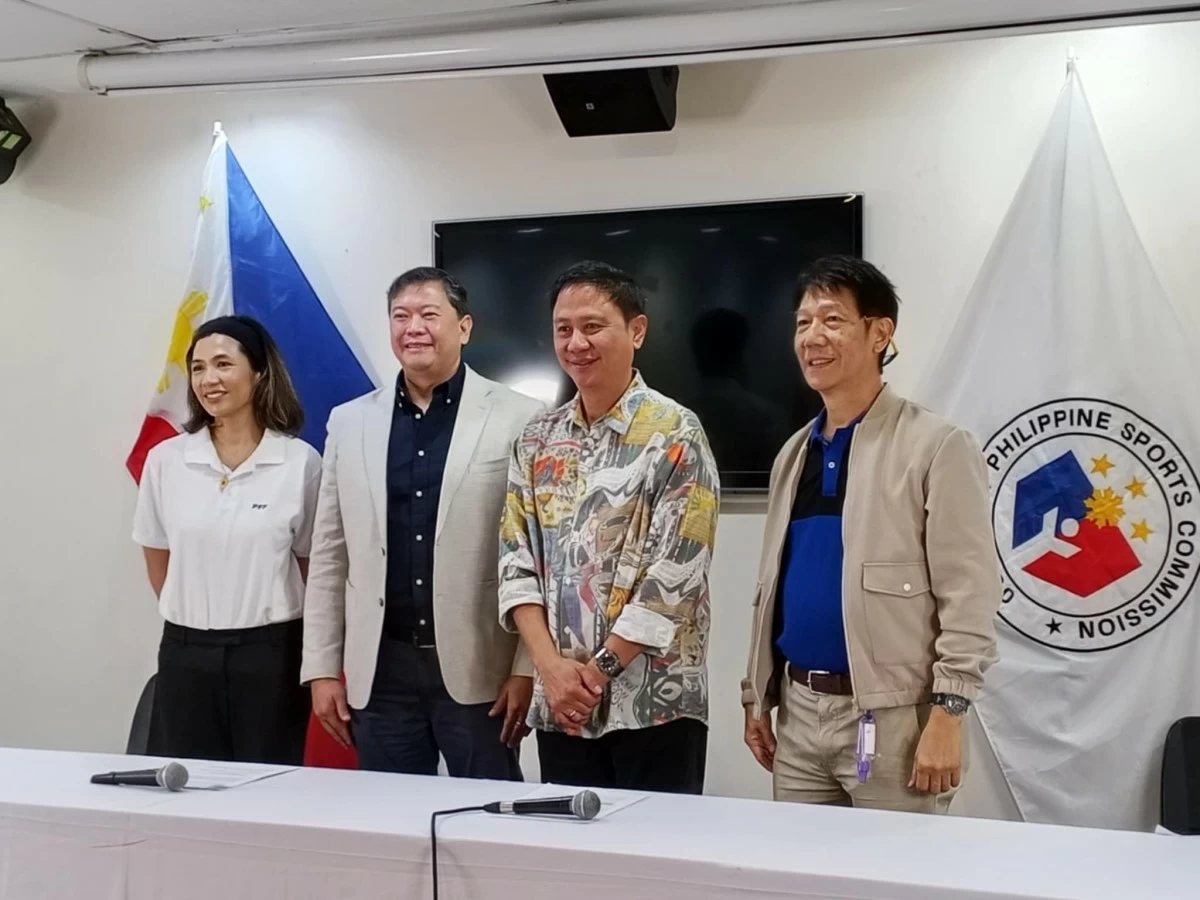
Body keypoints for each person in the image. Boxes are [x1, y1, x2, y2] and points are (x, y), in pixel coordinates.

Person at [741, 255, 1000, 813]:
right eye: (803, 322)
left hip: (894, 721)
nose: (813, 337)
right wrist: (756, 695)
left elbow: (970, 592)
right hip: (799, 713)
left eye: (832, 320)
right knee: (801, 881)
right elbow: (772, 589)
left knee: (894, 883)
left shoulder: (936, 445)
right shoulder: (793, 453)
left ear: (880, 332)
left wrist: (948, 713)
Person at [302, 267, 543, 779]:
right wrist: (322, 669)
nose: (414, 327)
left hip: (480, 671)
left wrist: (526, 669)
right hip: (380, 671)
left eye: (429, 314)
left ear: (464, 327)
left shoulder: (521, 417)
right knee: (390, 828)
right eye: (400, 316)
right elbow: (329, 554)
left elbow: (541, 556)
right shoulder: (349, 422)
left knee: (488, 822)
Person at [499, 260, 720, 794]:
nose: (577, 342)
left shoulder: (676, 432)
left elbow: (676, 577)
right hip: (563, 706)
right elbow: (515, 561)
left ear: (636, 331)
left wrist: (594, 674)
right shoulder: (537, 439)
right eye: (564, 329)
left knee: (654, 864)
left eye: (593, 326)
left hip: (655, 703)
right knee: (572, 866)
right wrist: (549, 669)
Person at [133, 315, 320, 764]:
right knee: (190, 786)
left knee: (268, 786)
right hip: (185, 652)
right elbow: (159, 559)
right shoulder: (167, 461)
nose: (208, 379)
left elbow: (312, 568)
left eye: (222, 364)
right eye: (197, 368)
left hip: (272, 655)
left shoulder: (300, 462)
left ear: (258, 372)